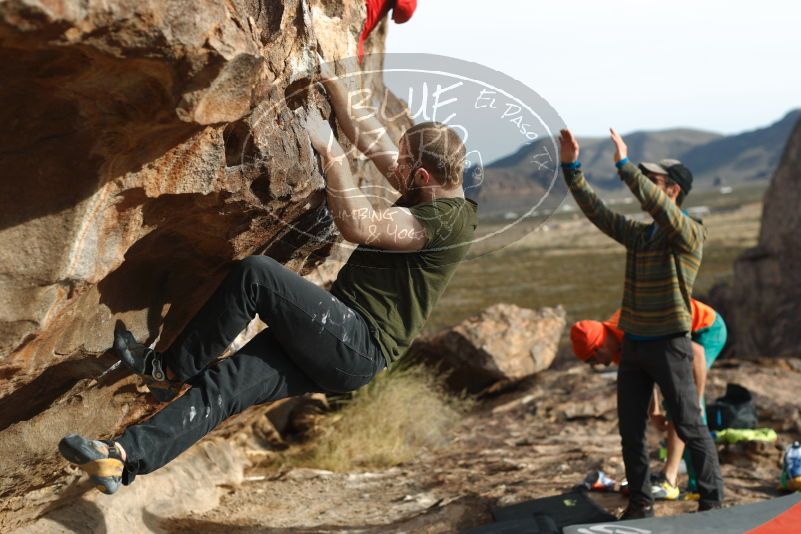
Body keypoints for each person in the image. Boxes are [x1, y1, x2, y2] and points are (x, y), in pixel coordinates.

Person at [58, 65, 478, 495]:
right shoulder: (432, 189)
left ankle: (168, 370)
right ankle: (120, 458)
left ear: (423, 177)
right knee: (227, 386)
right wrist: (331, 79)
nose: (396, 165)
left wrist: (330, 152)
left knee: (258, 276)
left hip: (358, 344)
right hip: (339, 343)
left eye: (406, 163)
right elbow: (375, 143)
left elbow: (362, 226)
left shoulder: (445, 223)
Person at [559, 128, 724, 518]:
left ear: (672, 191)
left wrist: (624, 165)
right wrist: (572, 169)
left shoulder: (690, 233)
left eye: (653, 181)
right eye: (644, 179)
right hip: (634, 345)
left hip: (669, 343)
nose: (646, 185)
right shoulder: (640, 236)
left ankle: (714, 504)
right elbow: (598, 212)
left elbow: (661, 211)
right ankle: (640, 504)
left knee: (688, 424)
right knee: (630, 432)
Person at [571, 299, 728, 499]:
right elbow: (645, 373)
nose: (598, 366)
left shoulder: (632, 333)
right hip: (675, 335)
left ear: (598, 347)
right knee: (678, 408)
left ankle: (674, 480)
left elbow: (696, 353)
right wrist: (653, 411)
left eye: (593, 361)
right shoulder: (619, 345)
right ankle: (694, 484)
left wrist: (695, 398)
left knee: (684, 408)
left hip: (707, 329)